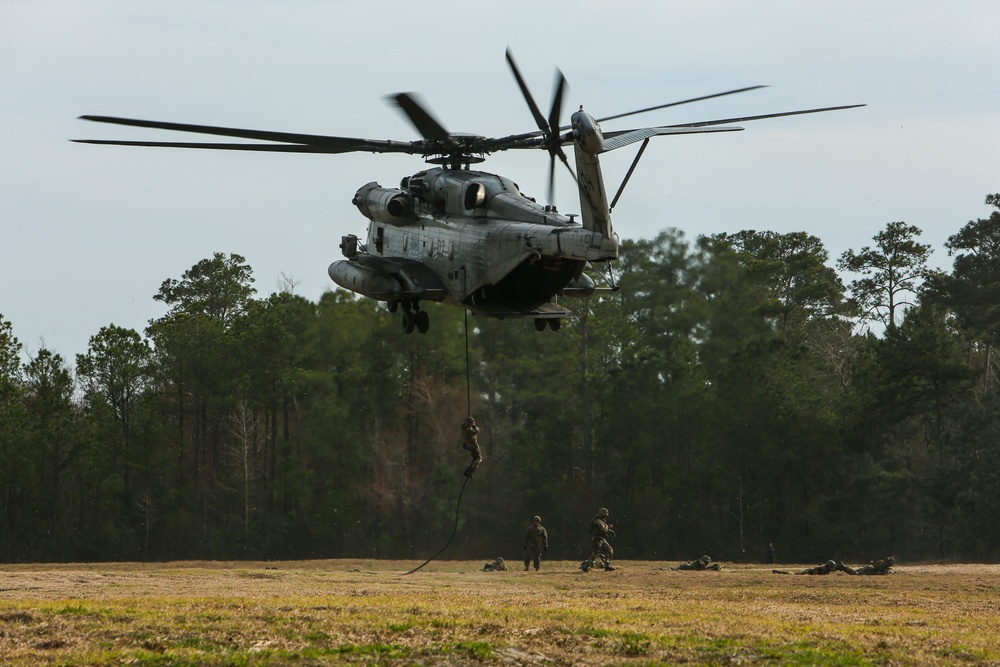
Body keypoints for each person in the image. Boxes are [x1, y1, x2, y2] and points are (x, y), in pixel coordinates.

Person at [581, 507, 615, 572]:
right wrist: (609, 530)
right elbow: (602, 529)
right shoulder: (597, 520)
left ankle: (607, 565)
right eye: (604, 515)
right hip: (597, 538)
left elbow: (604, 529)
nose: (605, 517)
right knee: (596, 553)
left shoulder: (600, 521)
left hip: (601, 538)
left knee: (609, 550)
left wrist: (608, 529)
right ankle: (586, 565)